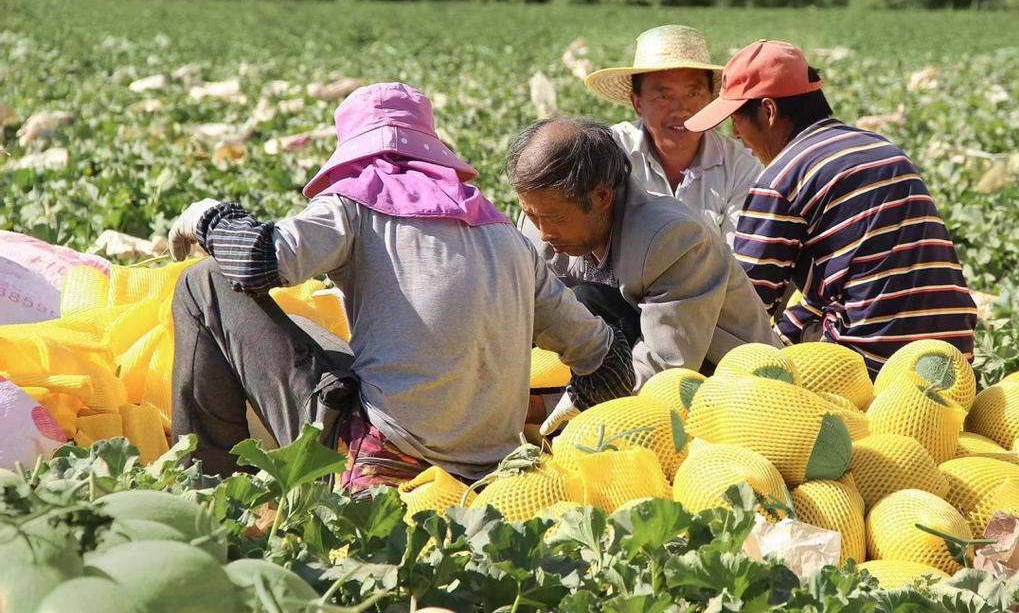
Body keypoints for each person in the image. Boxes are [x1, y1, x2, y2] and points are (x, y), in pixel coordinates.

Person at [165, 83, 631, 488]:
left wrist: (206, 216)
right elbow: (607, 357)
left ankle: (211, 482)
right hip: (491, 472)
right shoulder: (504, 233)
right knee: (331, 339)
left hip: (384, 459)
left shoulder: (354, 203)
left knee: (204, 282)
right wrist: (573, 408)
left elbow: (257, 260)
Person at [684, 40, 977, 377]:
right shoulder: (883, 150)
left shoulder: (781, 178)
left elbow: (744, 307)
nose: (735, 134)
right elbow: (853, 281)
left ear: (768, 111)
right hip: (954, 357)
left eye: (737, 120)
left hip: (869, 366)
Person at [507, 117, 779, 428]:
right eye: (532, 214)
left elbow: (669, 367)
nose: (544, 233)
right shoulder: (540, 225)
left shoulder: (672, 238)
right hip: (622, 362)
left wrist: (553, 404)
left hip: (725, 382)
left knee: (583, 299)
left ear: (601, 196)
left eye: (555, 218)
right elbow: (526, 317)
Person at [584, 25, 761, 247]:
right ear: (637, 103)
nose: (680, 110)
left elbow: (738, 262)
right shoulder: (609, 153)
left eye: (693, 93)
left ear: (710, 100)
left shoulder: (741, 167)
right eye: (664, 96)